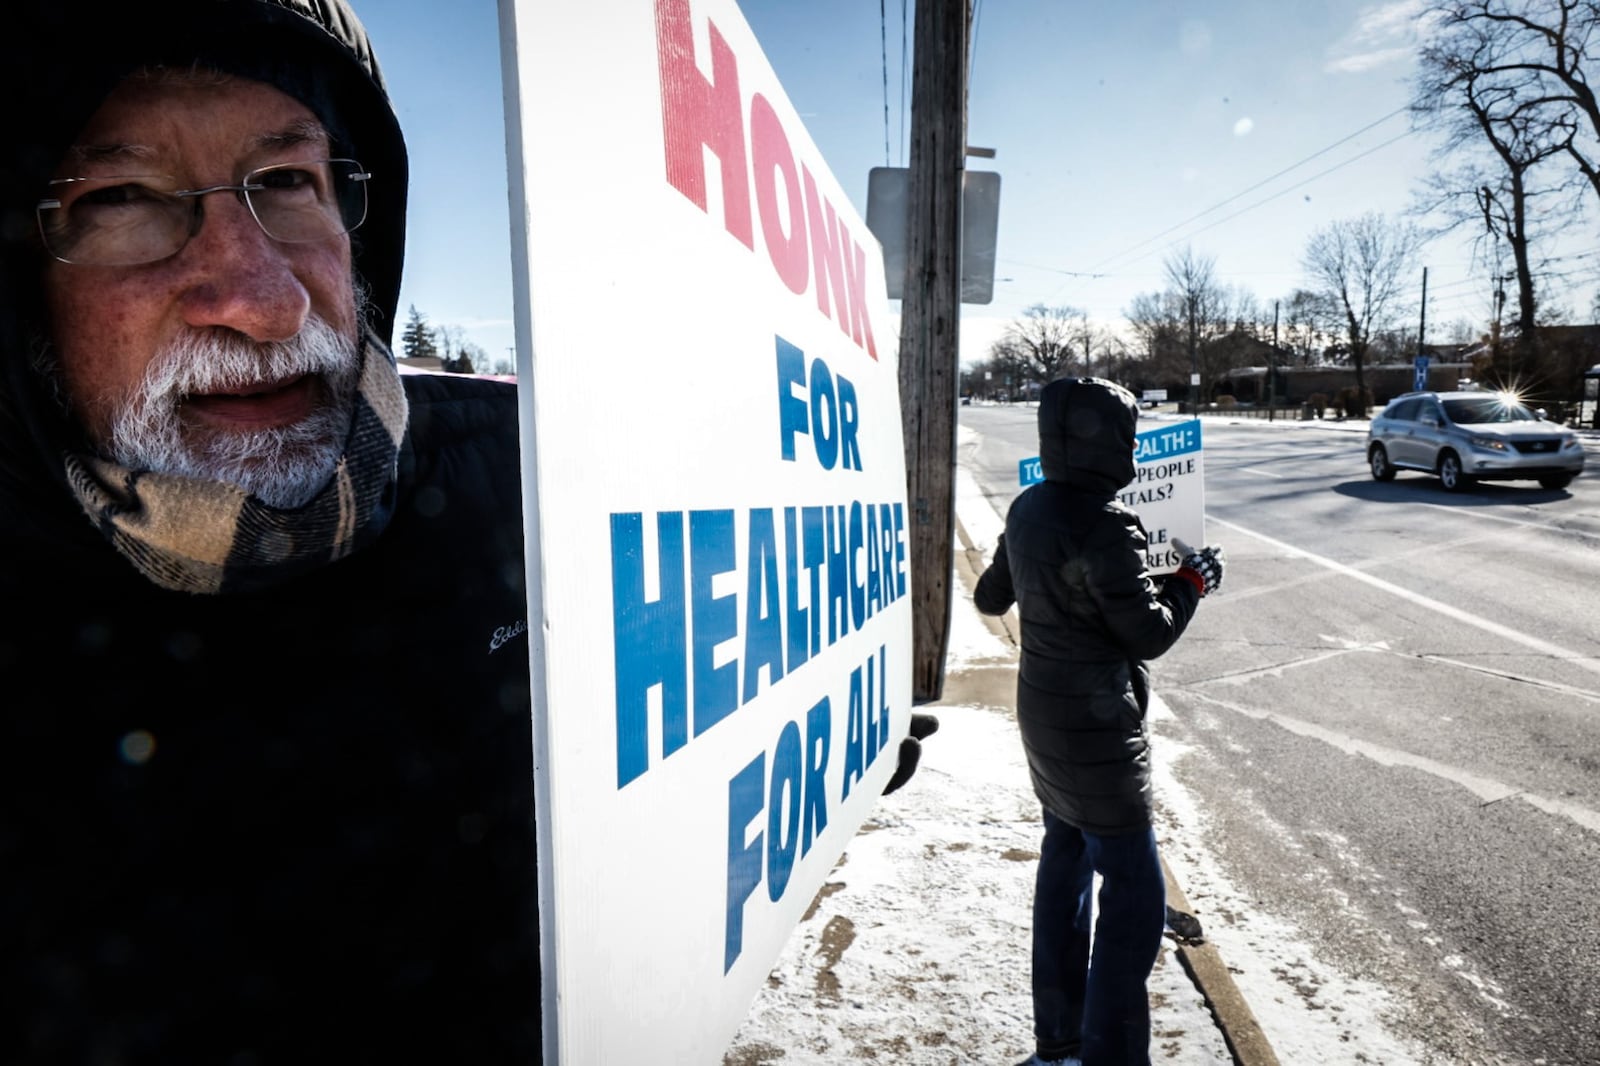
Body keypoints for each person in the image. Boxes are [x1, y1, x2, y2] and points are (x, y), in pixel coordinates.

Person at [0, 4, 932, 1060]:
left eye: (290, 183)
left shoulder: (525, 485)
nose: (259, 299)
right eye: (122, 198)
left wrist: (809, 704)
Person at [973, 377, 1224, 1066]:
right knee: (1135, 903)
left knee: (1063, 868)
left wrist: (1046, 576)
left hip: (1043, 719)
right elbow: (1145, 634)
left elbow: (990, 596)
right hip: (1099, 732)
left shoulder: (1029, 508)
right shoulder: (1106, 523)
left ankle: (1058, 1038)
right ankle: (1110, 1057)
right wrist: (1188, 582)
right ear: (1111, 440)